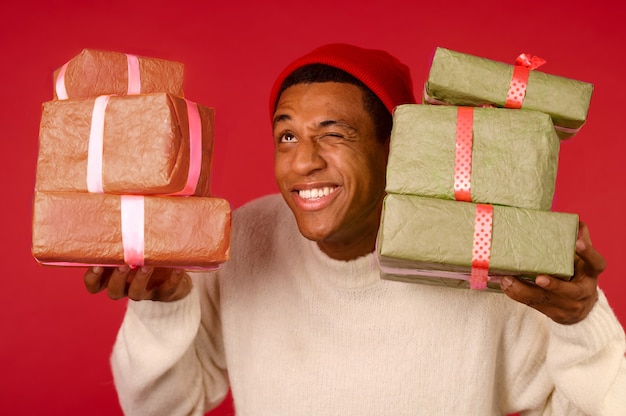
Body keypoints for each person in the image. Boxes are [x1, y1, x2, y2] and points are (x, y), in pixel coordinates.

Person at [84, 43, 626, 415]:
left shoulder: (483, 253)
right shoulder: (238, 239)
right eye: (288, 137)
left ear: (398, 149)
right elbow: (163, 408)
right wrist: (161, 309)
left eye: (334, 134)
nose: (303, 163)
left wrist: (580, 321)